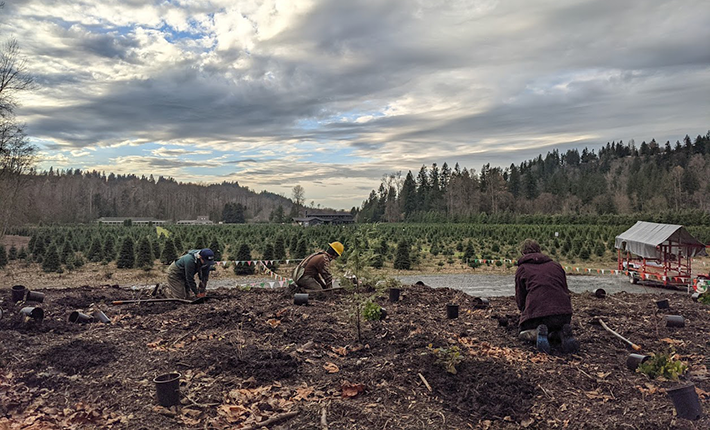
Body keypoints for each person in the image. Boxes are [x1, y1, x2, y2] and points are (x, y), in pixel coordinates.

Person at [515, 239, 578, 354]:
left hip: (538, 315)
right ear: (539, 250)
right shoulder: (556, 265)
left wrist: (524, 312)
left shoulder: (522, 269)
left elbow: (520, 296)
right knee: (556, 326)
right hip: (563, 314)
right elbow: (564, 289)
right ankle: (561, 333)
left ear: (523, 253)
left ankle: (537, 333)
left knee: (522, 333)